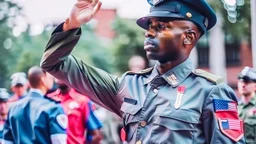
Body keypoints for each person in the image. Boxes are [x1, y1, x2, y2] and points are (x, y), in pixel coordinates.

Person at [40, 0, 245, 143]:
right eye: (150, 26)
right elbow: (54, 64)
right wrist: (72, 24)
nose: (148, 32)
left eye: (161, 26)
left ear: (189, 37)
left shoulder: (210, 92)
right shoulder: (129, 85)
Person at [2, 66, 67, 144]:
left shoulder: (13, 108)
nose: (52, 79)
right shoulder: (53, 108)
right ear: (43, 80)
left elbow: (7, 141)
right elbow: (59, 141)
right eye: (50, 77)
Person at [48, 79, 103, 144]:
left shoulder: (83, 101)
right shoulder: (48, 100)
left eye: (60, 71)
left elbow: (96, 135)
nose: (58, 76)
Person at [237, 67, 256, 143]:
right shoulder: (234, 107)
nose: (243, 85)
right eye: (241, 82)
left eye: (247, 82)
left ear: (255, 86)